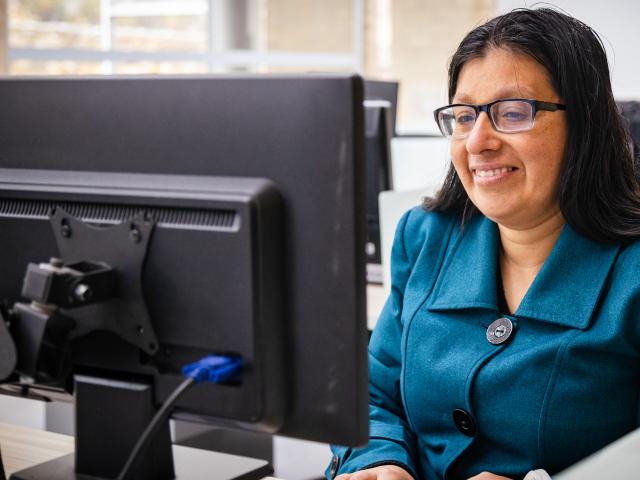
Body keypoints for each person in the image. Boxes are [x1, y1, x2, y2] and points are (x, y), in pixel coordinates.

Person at [327, 7, 640, 480]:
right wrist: (380, 462)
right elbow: (374, 393)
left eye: (513, 113)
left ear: (584, 127)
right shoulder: (425, 236)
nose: (477, 142)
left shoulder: (631, 272)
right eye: (463, 115)